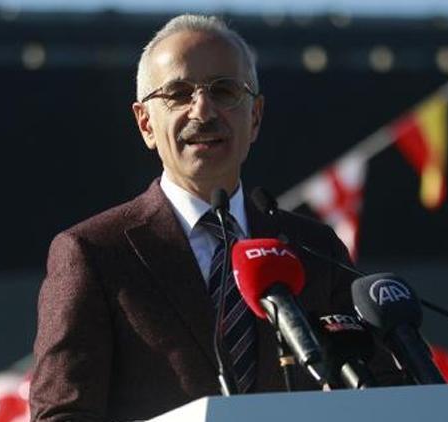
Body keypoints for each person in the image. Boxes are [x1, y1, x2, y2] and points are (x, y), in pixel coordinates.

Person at [30, 14, 404, 422]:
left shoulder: (315, 249)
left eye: (224, 90)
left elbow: (382, 395)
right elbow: (62, 414)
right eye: (178, 93)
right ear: (145, 123)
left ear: (255, 117)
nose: (203, 110)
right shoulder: (94, 254)